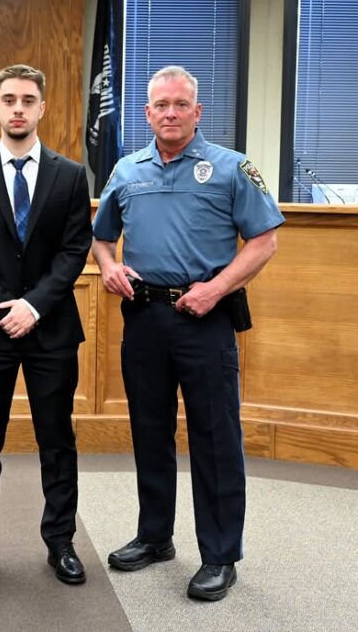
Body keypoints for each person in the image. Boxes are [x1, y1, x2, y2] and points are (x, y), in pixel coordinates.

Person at [92, 65, 284, 601]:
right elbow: (102, 238)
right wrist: (108, 266)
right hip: (145, 319)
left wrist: (216, 289)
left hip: (206, 319)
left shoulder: (231, 168)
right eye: (160, 105)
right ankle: (155, 537)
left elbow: (264, 241)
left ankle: (220, 556)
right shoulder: (127, 170)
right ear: (147, 112)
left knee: (215, 439)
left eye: (180, 104)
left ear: (198, 112)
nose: (170, 113)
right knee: (149, 431)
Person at [0, 64, 92, 585]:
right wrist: (6, 307)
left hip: (52, 329)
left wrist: (33, 306)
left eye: (27, 100)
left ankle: (61, 543)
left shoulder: (72, 175)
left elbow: (75, 248)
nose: (17, 108)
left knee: (57, 440)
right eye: (8, 99)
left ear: (42, 108)